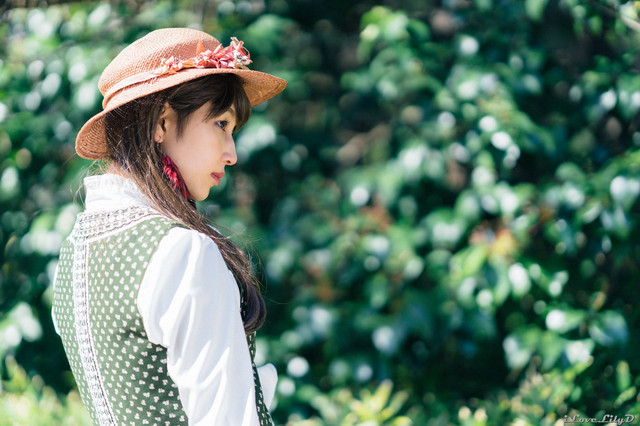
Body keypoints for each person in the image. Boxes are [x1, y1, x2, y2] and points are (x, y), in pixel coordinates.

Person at [51, 28, 287, 425]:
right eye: (221, 124)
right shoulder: (182, 252)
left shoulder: (74, 251)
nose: (231, 154)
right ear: (162, 122)